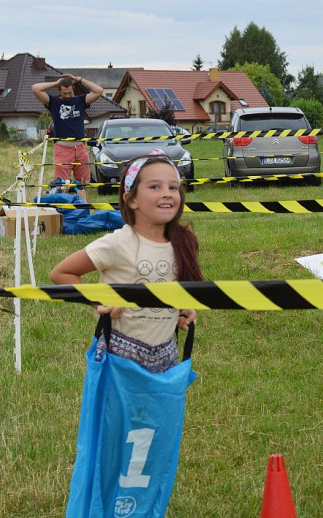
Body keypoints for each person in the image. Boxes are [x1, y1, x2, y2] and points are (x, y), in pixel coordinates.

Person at [50, 154, 201, 373]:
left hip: (166, 353)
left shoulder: (182, 242)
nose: (167, 193)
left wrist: (181, 310)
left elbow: (170, 287)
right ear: (131, 199)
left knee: (159, 408)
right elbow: (62, 273)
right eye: (155, 187)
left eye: (173, 187)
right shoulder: (117, 243)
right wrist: (99, 302)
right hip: (119, 355)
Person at [32, 74, 104, 203]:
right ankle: (64, 211)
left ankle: (83, 208)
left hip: (80, 148)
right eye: (64, 93)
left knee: (82, 184)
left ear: (73, 90)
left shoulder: (80, 101)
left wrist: (80, 79)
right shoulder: (53, 102)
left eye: (69, 92)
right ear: (59, 91)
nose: (67, 96)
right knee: (62, 184)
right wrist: (55, 83)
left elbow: (99, 91)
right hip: (62, 148)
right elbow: (36, 88)